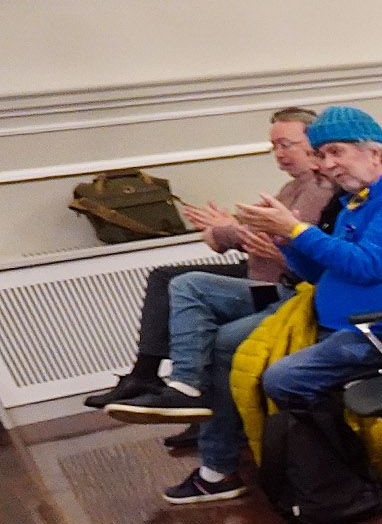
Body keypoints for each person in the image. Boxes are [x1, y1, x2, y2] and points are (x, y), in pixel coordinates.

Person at [152, 107, 382, 505]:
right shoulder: (359, 202)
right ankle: (354, 458)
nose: (329, 165)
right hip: (350, 328)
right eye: (324, 154)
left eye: (337, 152)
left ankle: (354, 471)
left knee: (283, 378)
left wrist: (297, 230)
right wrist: (285, 240)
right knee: (240, 352)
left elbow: (368, 266)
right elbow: (321, 274)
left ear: (374, 152)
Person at [94, 108, 331, 423]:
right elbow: (255, 235)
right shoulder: (292, 188)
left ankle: (178, 387)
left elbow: (273, 239)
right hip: (262, 278)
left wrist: (226, 228)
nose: (279, 153)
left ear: (312, 143)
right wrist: (231, 228)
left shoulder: (317, 188)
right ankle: (162, 383)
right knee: (172, 283)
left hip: (275, 288)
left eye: (286, 144)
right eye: (274, 146)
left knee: (186, 289)